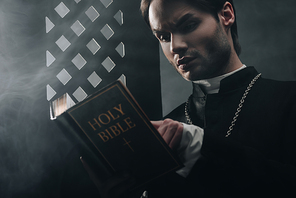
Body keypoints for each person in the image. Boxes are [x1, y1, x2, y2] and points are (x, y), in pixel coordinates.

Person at [81, 0, 296, 197]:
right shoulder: (165, 132)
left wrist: (201, 145)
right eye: (164, 37)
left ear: (226, 15)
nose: (175, 47)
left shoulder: (289, 99)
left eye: (188, 25)